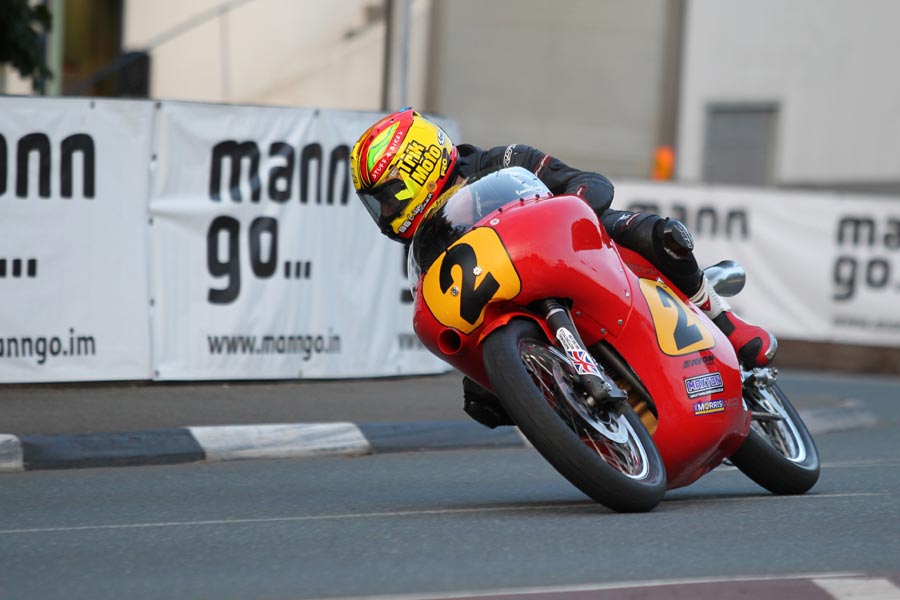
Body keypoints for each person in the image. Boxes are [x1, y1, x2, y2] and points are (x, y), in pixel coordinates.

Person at [350, 108, 776, 424]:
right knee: (481, 402)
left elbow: (589, 182)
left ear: (417, 166)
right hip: (502, 301)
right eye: (377, 206)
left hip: (563, 249)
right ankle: (565, 413)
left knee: (659, 234)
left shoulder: (503, 159)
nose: (385, 213)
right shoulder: (427, 239)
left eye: (387, 197)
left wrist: (571, 210)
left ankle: (725, 322)